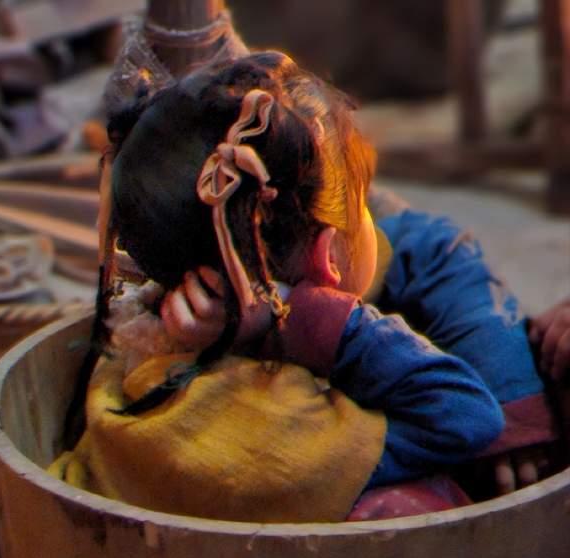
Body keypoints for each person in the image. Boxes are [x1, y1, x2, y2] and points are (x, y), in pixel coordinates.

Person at [50, 51, 505, 523]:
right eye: (363, 206)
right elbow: (468, 415)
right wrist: (310, 317)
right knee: (425, 498)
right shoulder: (298, 434)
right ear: (329, 257)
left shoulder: (137, 355)